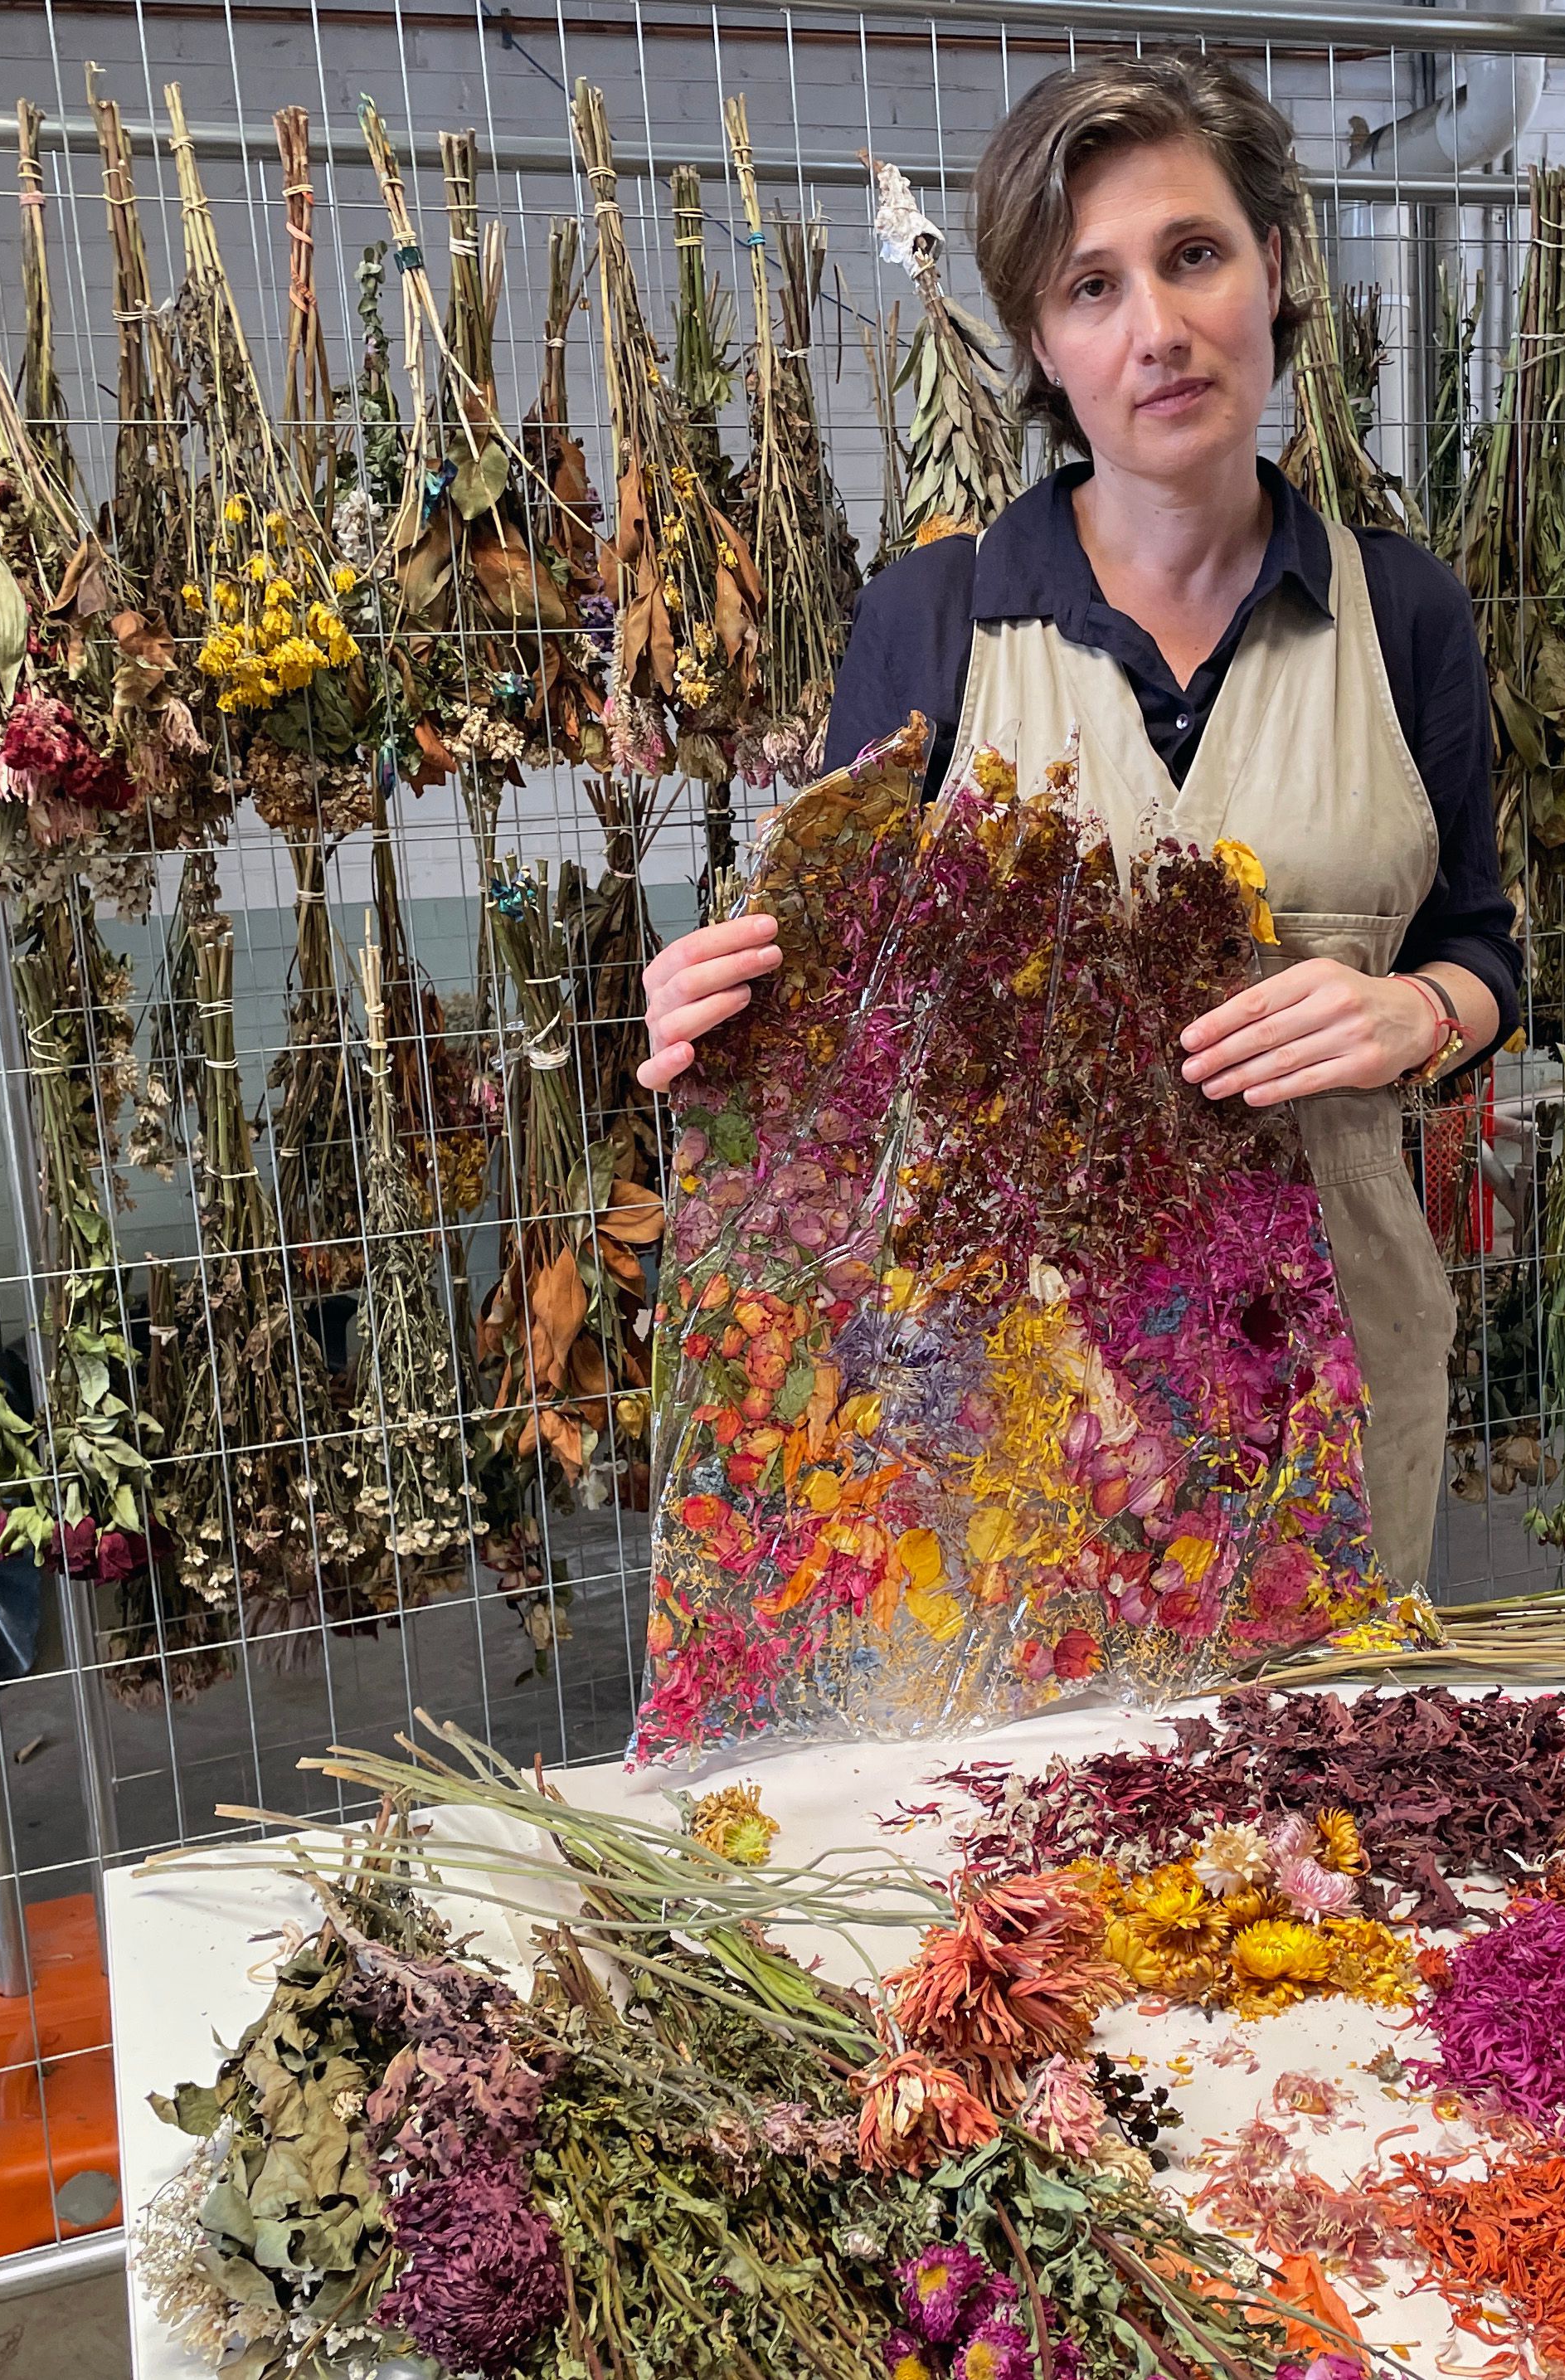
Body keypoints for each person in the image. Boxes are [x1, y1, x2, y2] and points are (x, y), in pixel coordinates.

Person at [638, 52, 1520, 1594]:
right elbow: (841, 1019)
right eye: (1091, 288)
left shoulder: (1407, 616)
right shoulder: (938, 617)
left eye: (1195, 255)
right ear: (1042, 343)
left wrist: (1415, 1010)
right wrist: (711, 1012)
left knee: (1313, 1803)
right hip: (1012, 1399)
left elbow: (1478, 951)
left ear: (1273, 269)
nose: (1158, 332)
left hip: (1335, 1355)